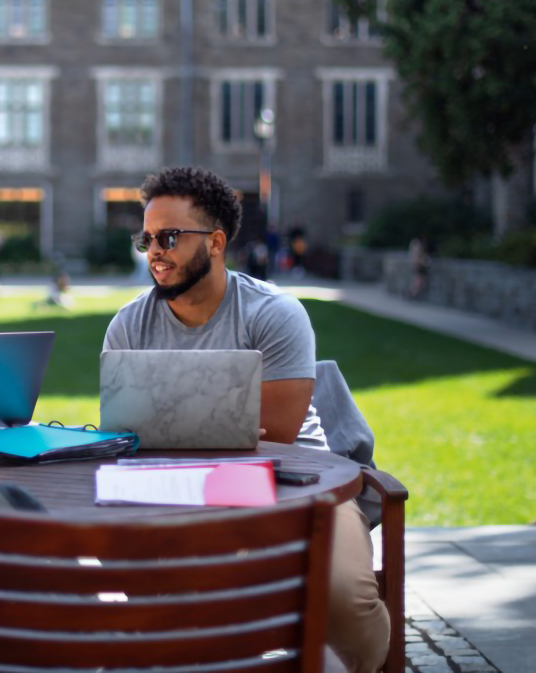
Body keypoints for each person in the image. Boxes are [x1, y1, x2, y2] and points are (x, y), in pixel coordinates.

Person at [103, 167, 390, 673]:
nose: (154, 251)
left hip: (301, 485)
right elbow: (125, 436)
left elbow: (277, 438)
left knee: (344, 601)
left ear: (215, 242)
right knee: (156, 595)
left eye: (169, 237)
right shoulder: (129, 324)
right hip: (176, 491)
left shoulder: (274, 314)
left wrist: (173, 431)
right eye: (146, 238)